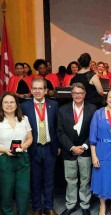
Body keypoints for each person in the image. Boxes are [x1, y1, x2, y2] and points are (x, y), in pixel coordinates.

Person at [21, 78, 60, 215]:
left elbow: (57, 127)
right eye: (35, 88)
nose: (37, 91)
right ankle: (37, 208)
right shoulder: (24, 106)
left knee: (49, 179)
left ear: (45, 90)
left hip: (50, 148)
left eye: (40, 88)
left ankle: (49, 207)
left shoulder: (54, 105)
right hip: (33, 148)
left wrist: (58, 145)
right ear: (31, 90)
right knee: (35, 180)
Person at [57, 83, 97, 215]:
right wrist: (72, 147)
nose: (78, 95)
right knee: (70, 179)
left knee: (85, 179)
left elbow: (94, 130)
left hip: (86, 150)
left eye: (80, 93)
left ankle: (85, 205)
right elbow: (60, 132)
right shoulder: (63, 109)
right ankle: (71, 204)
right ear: (71, 94)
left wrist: (84, 146)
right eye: (75, 93)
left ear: (84, 94)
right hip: (69, 150)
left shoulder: (93, 109)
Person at [0, 92, 33, 215]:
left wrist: (23, 146)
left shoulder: (24, 119)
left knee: (23, 191)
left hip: (22, 159)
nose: (9, 105)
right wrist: (5, 150)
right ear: (1, 104)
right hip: (4, 159)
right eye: (6, 102)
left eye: (12, 102)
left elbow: (30, 138)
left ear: (16, 104)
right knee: (6, 192)